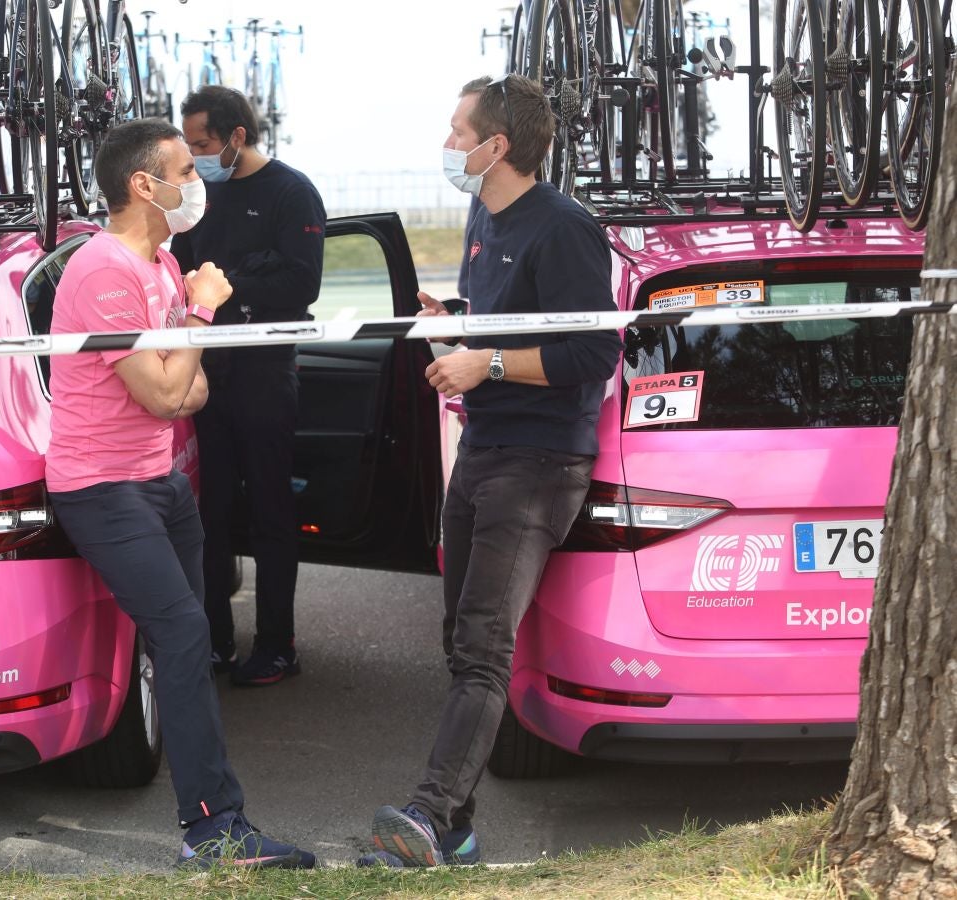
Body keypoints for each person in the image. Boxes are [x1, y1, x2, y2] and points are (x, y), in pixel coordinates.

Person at [361, 75, 623, 867]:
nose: (447, 145)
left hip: (539, 461)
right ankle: (456, 829)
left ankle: (429, 815)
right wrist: (457, 324)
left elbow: (593, 352)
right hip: (482, 447)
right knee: (460, 638)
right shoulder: (483, 213)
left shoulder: (567, 229)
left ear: (497, 146)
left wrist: (490, 363)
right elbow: (503, 321)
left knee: (482, 645)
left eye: (458, 131)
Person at [46, 118, 315, 870]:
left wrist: (179, 357)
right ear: (145, 185)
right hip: (103, 488)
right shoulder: (104, 271)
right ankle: (212, 829)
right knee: (187, 635)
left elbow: (189, 391)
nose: (198, 181)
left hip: (159, 478)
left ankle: (217, 820)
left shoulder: (163, 264)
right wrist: (200, 313)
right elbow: (169, 392)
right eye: (185, 170)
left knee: (188, 643)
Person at [169, 85, 327, 687]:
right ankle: (214, 642)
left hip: (265, 370)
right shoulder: (198, 195)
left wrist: (227, 283)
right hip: (205, 371)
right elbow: (180, 271)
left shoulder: (291, 191)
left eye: (203, 144)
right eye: (189, 146)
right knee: (209, 513)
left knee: (270, 510)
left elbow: (301, 284)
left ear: (237, 136)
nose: (196, 156)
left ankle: (277, 645)